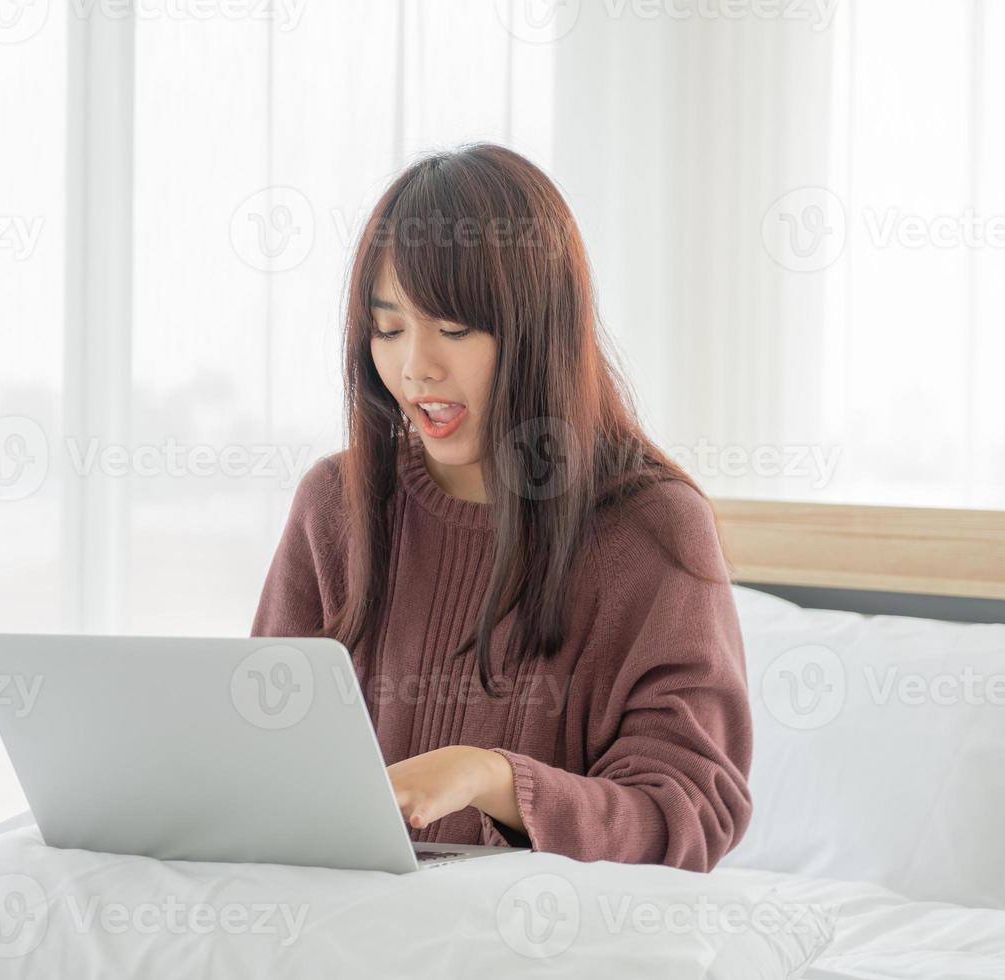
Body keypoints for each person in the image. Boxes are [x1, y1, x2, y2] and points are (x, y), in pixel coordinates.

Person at [251, 143, 752, 872]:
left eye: (453, 328)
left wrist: (491, 780)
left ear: (539, 330)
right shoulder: (336, 504)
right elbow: (259, 754)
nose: (416, 366)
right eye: (388, 329)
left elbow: (687, 815)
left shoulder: (652, 530)